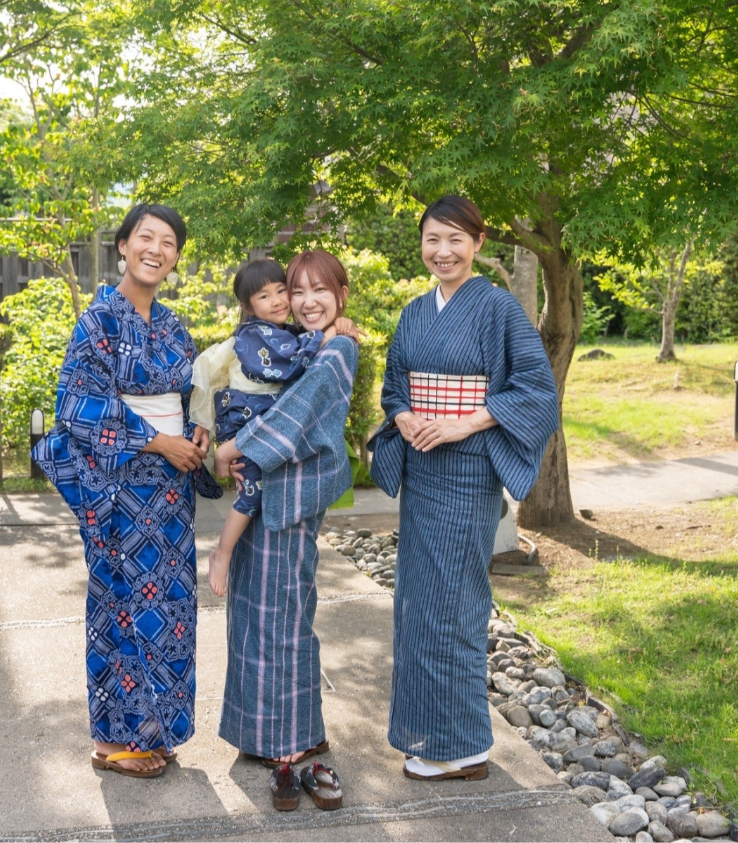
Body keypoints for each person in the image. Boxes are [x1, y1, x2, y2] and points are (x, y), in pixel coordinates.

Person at [369, 195, 559, 782]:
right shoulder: (414, 312)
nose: (443, 251)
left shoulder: (498, 309)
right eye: (432, 239)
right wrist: (402, 417)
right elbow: (396, 383)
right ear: (421, 244)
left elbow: (536, 389)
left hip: (468, 468)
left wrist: (466, 421)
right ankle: (431, 737)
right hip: (423, 471)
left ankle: (464, 748)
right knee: (418, 605)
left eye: (456, 239)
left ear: (478, 243)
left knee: (454, 605)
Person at [32, 203, 222, 778]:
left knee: (168, 607)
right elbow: (77, 408)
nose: (156, 249)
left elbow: (195, 394)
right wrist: (160, 443)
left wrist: (196, 432)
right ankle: (115, 741)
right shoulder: (98, 322)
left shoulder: (172, 325)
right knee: (121, 606)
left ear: (176, 257)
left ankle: (155, 732)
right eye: (146, 237)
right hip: (118, 490)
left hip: (168, 497)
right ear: (122, 245)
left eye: (168, 242)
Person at [212, 250, 358, 806]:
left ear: (341, 293)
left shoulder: (337, 348)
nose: (306, 301)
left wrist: (236, 445)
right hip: (266, 493)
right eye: (296, 292)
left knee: (284, 619)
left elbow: (298, 412)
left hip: (289, 498)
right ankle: (258, 734)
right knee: (251, 612)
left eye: (320, 290)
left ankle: (292, 742)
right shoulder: (301, 344)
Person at [191, 258, 333, 598]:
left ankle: (226, 551)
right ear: (248, 307)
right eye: (265, 297)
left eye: (281, 290)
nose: (279, 300)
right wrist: (325, 335)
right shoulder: (257, 335)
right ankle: (221, 553)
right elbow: (286, 368)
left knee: (259, 488)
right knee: (252, 491)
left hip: (255, 415)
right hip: (246, 418)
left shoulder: (280, 332)